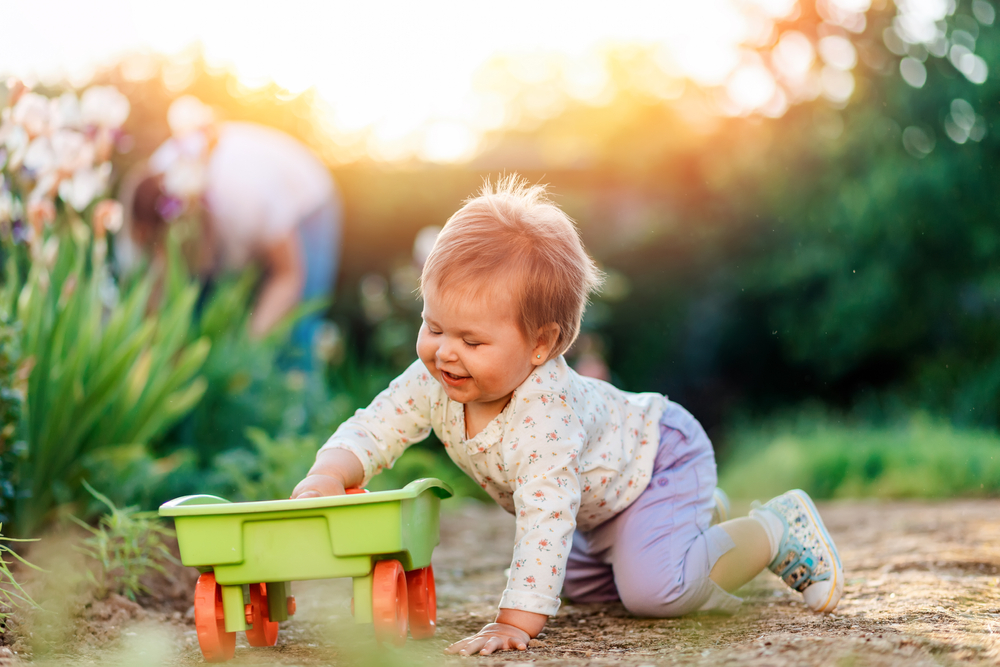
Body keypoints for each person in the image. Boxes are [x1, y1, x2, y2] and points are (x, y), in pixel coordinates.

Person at [291, 176, 843, 655]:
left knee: (654, 591)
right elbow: (377, 423)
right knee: (581, 586)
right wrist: (332, 473)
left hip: (659, 458)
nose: (445, 352)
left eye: (472, 339)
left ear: (541, 344)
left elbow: (546, 520)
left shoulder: (544, 417)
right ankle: (694, 524)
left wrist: (515, 622)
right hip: (606, 506)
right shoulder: (435, 380)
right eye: (434, 327)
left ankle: (775, 529)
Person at [124, 98, 341, 353]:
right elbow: (155, 288)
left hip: (306, 198)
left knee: (293, 331)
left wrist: (247, 351)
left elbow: (288, 276)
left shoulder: (246, 197)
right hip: (237, 212)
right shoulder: (146, 195)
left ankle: (293, 377)